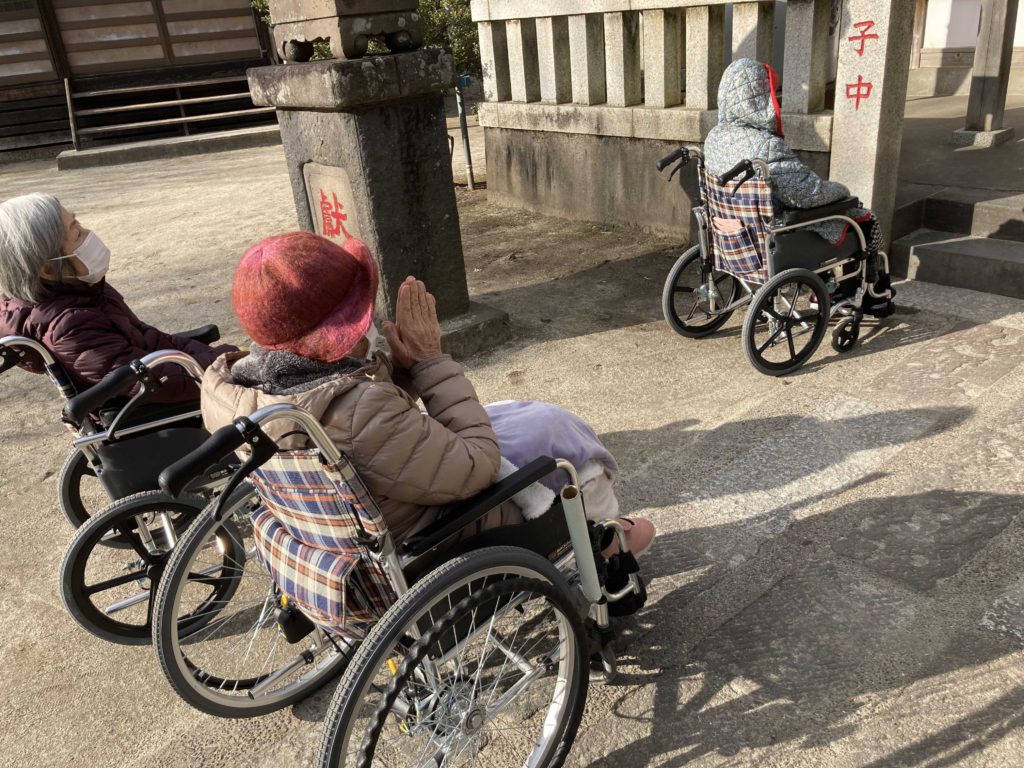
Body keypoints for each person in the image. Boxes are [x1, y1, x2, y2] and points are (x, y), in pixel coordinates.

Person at [202, 230, 655, 554]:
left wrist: (399, 373)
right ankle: (600, 550)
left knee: (516, 414)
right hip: (436, 535)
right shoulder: (360, 412)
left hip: (342, 540)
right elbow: (479, 467)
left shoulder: (239, 392)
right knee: (563, 439)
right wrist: (430, 360)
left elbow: (363, 421)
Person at [0, 193, 237, 404]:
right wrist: (230, 367)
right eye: (77, 233)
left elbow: (150, 340)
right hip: (154, 411)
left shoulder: (83, 292)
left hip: (170, 376)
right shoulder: (70, 326)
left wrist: (223, 357)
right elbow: (158, 382)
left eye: (78, 223)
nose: (89, 235)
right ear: (49, 269)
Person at [703, 58, 894, 316]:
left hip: (733, 232)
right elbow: (806, 194)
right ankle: (869, 295)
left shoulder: (714, 138)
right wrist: (842, 192)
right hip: (775, 235)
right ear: (758, 98)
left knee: (825, 219)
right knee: (862, 218)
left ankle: (825, 287)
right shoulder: (764, 145)